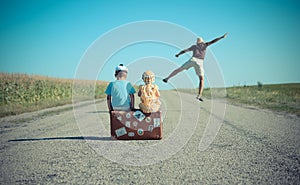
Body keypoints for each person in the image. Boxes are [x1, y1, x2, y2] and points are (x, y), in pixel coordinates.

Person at [163, 33, 228, 102]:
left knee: (179, 69)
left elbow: (185, 50)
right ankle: (199, 95)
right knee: (201, 79)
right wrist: (222, 37)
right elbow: (213, 41)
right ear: (202, 41)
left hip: (193, 60)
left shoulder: (194, 46)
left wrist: (178, 54)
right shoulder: (205, 45)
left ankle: (167, 78)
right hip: (200, 62)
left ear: (197, 42)